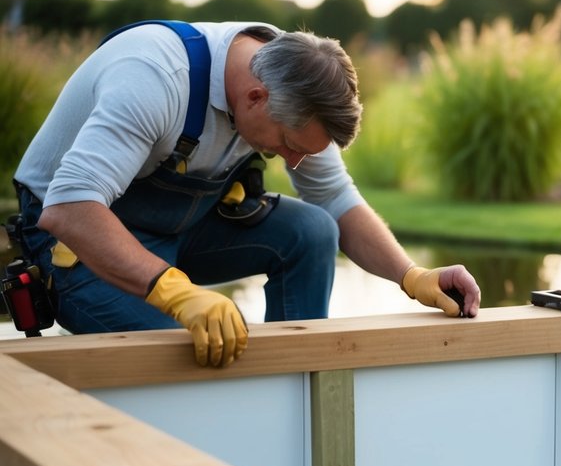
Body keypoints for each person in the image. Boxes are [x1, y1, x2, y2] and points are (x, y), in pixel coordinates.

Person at [13, 20, 480, 367]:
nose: (294, 162)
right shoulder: (156, 78)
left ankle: (296, 378)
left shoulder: (293, 78)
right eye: (290, 146)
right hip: (74, 246)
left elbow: (336, 201)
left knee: (314, 230)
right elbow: (70, 207)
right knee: (203, 349)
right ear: (255, 97)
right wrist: (177, 293)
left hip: (179, 228)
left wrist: (412, 276)